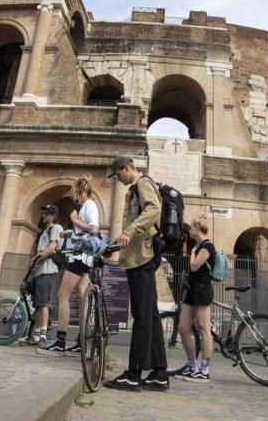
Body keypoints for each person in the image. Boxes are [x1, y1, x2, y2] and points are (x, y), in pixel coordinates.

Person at [104, 155, 168, 392]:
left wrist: (129, 231)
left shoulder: (143, 183)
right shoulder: (135, 188)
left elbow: (154, 209)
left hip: (142, 258)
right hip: (140, 257)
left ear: (126, 168)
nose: (117, 180)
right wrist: (112, 247)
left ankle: (134, 374)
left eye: (117, 174)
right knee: (150, 317)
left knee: (141, 316)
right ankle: (160, 374)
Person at [40, 175, 100, 355]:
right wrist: (70, 233)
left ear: (81, 190)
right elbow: (84, 230)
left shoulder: (89, 205)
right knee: (80, 295)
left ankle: (60, 340)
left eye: (75, 192)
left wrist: (74, 221)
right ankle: (82, 340)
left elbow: (94, 228)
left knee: (62, 294)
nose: (75, 196)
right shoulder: (86, 206)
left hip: (80, 256)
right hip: (85, 256)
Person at [177, 216, 215, 381]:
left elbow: (194, 266)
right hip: (192, 290)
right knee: (183, 327)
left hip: (202, 289)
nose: (189, 229)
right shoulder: (200, 246)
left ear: (197, 227)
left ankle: (204, 370)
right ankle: (192, 367)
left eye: (191, 227)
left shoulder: (207, 246)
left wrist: (192, 252)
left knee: (204, 328)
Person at [20, 204, 64, 346]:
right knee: (38, 304)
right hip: (39, 270)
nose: (43, 215)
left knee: (43, 303)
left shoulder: (56, 228)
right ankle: (36, 335)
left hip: (47, 269)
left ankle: (43, 336)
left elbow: (51, 248)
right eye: (43, 213)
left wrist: (35, 259)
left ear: (53, 216)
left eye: (47, 213)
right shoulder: (44, 231)